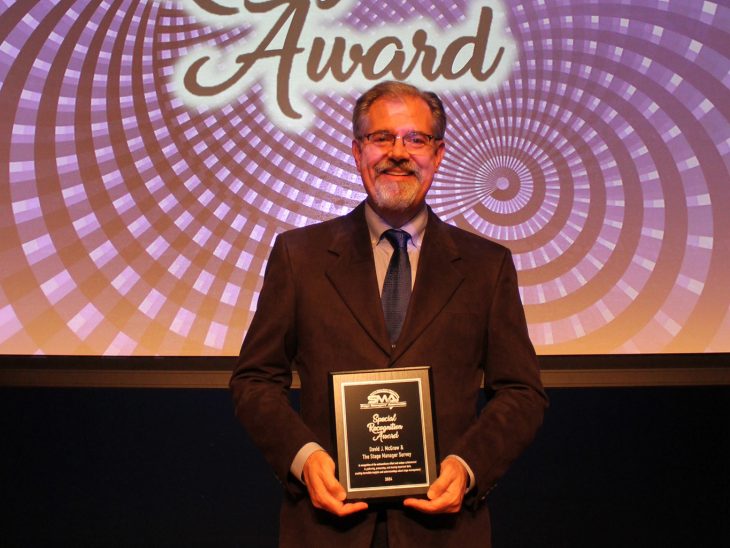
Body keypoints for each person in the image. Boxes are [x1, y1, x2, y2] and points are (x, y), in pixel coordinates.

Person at [230, 81, 547, 547]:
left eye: (415, 139)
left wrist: (467, 468)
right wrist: (304, 458)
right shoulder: (300, 256)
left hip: (444, 531)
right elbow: (254, 380)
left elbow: (522, 392)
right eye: (382, 138)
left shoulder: (487, 266)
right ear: (358, 152)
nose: (398, 152)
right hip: (326, 529)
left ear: (438, 155)